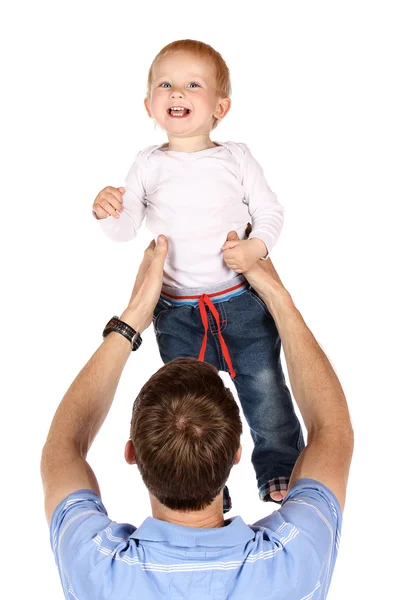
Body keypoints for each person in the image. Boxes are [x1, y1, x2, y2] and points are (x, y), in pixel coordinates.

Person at [41, 234, 353, 600]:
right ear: (238, 452)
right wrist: (280, 301)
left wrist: (133, 319)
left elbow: (62, 448)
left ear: (132, 454)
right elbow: (332, 431)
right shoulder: (295, 561)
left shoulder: (95, 569)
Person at [92, 39, 304, 505]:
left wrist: (256, 248)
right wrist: (109, 212)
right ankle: (207, 489)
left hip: (240, 302)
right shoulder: (147, 164)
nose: (177, 92)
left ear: (219, 107)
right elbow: (126, 228)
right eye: (164, 84)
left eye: (193, 84)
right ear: (149, 104)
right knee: (190, 408)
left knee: (264, 387)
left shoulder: (235, 158)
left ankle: (279, 467)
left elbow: (270, 211)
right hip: (179, 312)